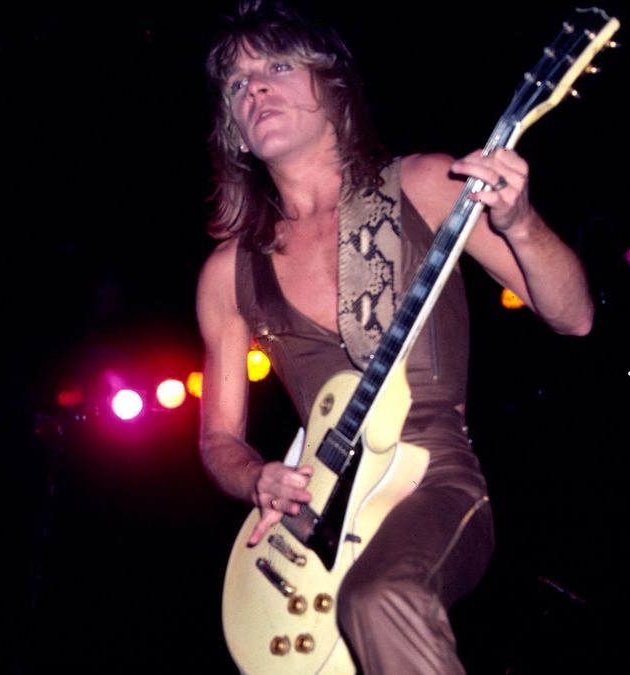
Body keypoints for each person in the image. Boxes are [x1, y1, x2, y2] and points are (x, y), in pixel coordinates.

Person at [195, 2, 593, 672]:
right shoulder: (226, 271)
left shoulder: (428, 183)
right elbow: (217, 439)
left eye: (278, 66)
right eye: (237, 83)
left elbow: (573, 314)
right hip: (312, 513)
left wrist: (521, 224)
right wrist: (256, 476)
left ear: (335, 87)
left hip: (431, 477)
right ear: (232, 129)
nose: (254, 87)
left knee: (382, 595)